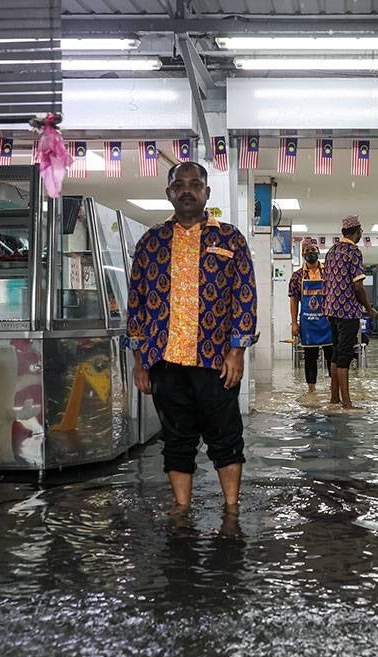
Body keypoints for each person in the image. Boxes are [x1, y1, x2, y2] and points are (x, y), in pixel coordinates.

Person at [127, 161, 258, 508]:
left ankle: (231, 508)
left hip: (216, 361)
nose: (187, 190)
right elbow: (136, 305)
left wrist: (237, 352)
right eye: (179, 184)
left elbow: (244, 298)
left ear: (206, 192)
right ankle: (182, 511)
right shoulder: (150, 243)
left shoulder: (230, 239)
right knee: (176, 439)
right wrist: (140, 362)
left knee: (226, 437)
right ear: (169, 192)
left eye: (194, 184)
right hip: (164, 361)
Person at [323, 215, 378, 409]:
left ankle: (333, 398)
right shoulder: (353, 251)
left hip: (331, 310)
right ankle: (347, 402)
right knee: (345, 355)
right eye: (360, 231)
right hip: (347, 311)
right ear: (356, 231)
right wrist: (368, 308)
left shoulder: (331, 251)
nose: (361, 234)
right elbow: (358, 286)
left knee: (336, 354)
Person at [288, 238, 333, 392]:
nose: (310, 253)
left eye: (313, 250)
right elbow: (294, 300)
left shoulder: (329, 272)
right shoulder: (297, 276)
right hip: (308, 323)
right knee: (310, 358)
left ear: (318, 252)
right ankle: (311, 391)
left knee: (331, 357)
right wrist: (294, 323)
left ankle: (334, 389)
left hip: (328, 322)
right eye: (307, 251)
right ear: (302, 254)